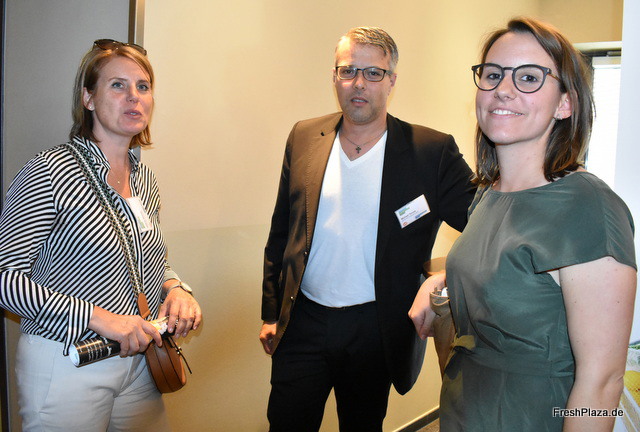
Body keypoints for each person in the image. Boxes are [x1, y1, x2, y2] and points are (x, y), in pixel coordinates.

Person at [410, 17, 637, 431]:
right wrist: (442, 281)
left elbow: (602, 383)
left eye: (529, 77)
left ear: (565, 104)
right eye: (492, 74)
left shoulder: (589, 207)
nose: (503, 88)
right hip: (464, 408)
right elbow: (513, 271)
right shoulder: (488, 193)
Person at [259, 26, 475, 431]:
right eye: (348, 71)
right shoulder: (304, 137)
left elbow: (485, 227)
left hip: (376, 328)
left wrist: (444, 277)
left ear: (391, 81)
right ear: (335, 77)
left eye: (373, 73)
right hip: (303, 321)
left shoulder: (430, 151)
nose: (359, 83)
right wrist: (271, 312)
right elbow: (281, 231)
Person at [0, 39, 202, 431]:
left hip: (140, 362)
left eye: (143, 86)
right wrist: (99, 318)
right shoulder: (51, 170)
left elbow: (143, 261)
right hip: (68, 361)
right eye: (118, 85)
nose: (134, 97)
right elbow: (5, 279)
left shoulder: (145, 179)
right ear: (88, 98)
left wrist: (176, 288)